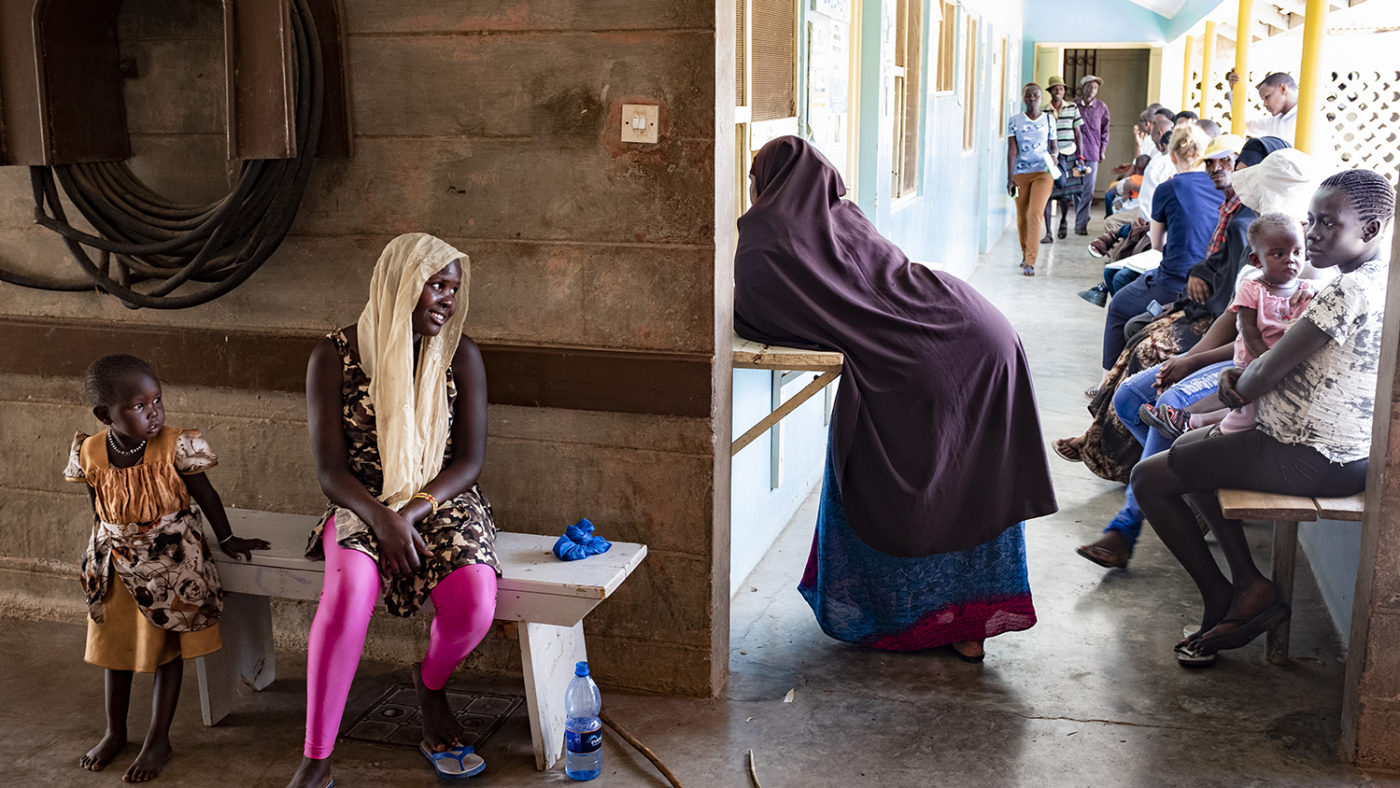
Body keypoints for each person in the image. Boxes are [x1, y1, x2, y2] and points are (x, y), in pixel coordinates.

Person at [735, 136, 1058, 661]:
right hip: (975, 328)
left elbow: (754, 309)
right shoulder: (845, 214)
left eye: (754, 178)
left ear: (768, 179)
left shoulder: (768, 236)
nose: (752, 189)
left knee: (888, 485)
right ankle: (966, 628)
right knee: (973, 486)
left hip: (925, 362)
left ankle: (900, 623)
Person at [1132, 170, 1395, 665]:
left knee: (1149, 477)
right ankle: (1247, 587)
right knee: (1193, 450)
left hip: (1309, 455)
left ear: (1372, 229)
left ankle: (1228, 593)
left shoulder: (1345, 293)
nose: (1312, 233)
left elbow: (1262, 374)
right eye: (1311, 220)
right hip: (1344, 451)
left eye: (1327, 224)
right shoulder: (1378, 280)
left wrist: (1235, 385)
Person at [286, 234, 499, 787]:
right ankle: (317, 758)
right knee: (350, 591)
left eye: (453, 288)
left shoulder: (461, 353)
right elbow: (331, 470)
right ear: (399, 283)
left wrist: (414, 511)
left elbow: (471, 461)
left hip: (441, 498)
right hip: (362, 501)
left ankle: (429, 686)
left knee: (475, 600)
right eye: (435, 284)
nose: (447, 299)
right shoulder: (332, 356)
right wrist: (383, 518)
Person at [1066, 144, 1318, 569]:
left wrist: (1199, 361)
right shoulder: (1260, 234)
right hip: (1234, 354)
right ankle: (1177, 487)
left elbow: (1260, 349)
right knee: (1131, 398)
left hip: (1253, 370)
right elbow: (1236, 317)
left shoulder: (1301, 261)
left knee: (1164, 404)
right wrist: (1189, 360)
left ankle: (1127, 525)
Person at [65, 354, 268, 783]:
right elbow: (99, 509)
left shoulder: (175, 445)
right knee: (114, 654)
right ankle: (114, 732)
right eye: (139, 406)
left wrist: (228, 539)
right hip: (116, 569)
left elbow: (207, 496)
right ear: (106, 414)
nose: (153, 411)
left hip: (171, 571)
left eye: (157, 399)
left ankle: (159, 738)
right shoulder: (89, 451)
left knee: (165, 653)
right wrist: (100, 556)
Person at [1141, 213, 1317, 438]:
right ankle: (1191, 421)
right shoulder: (1253, 288)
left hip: (1280, 364)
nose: (1290, 259)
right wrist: (1268, 362)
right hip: (1255, 361)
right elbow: (1249, 331)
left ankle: (1191, 421)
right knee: (1247, 402)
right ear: (1257, 261)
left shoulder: (1306, 288)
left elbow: (1320, 292)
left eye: (1297, 252)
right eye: (1278, 254)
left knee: (1251, 404)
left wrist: (1313, 289)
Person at [1092, 124, 1221, 395]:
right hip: (1213, 282)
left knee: (1118, 306)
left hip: (1174, 280)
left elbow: (1157, 243)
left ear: (1172, 156)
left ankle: (1105, 383)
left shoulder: (1169, 187)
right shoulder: (1220, 188)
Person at [1007, 82, 1057, 275]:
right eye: (1028, 95)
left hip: (1043, 173)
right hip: (1020, 173)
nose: (1032, 98)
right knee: (1021, 216)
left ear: (1040, 97)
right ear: (1023, 98)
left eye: (1035, 95)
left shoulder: (1049, 120)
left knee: (1034, 213)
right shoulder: (1014, 120)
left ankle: (1030, 261)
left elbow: (1053, 146)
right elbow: (1012, 150)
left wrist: (1055, 157)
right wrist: (1010, 177)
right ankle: (1025, 252)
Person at [1042, 75, 1085, 242]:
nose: (1058, 91)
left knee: (1066, 194)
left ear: (1064, 91)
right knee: (1047, 193)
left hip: (1069, 154)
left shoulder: (1073, 107)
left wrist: (1080, 157)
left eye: (1061, 88)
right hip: (1051, 157)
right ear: (1050, 91)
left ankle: (1063, 220)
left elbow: (1078, 133)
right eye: (1055, 88)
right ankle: (1048, 233)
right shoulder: (1044, 111)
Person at [1074, 74, 1112, 235]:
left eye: (1095, 88)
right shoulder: (1073, 105)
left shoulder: (1101, 107)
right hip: (1074, 154)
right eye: (1089, 86)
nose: (1092, 90)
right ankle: (1081, 218)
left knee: (1088, 190)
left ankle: (1080, 224)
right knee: (1075, 189)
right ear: (1083, 87)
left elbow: (1105, 131)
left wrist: (1102, 150)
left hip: (1091, 154)